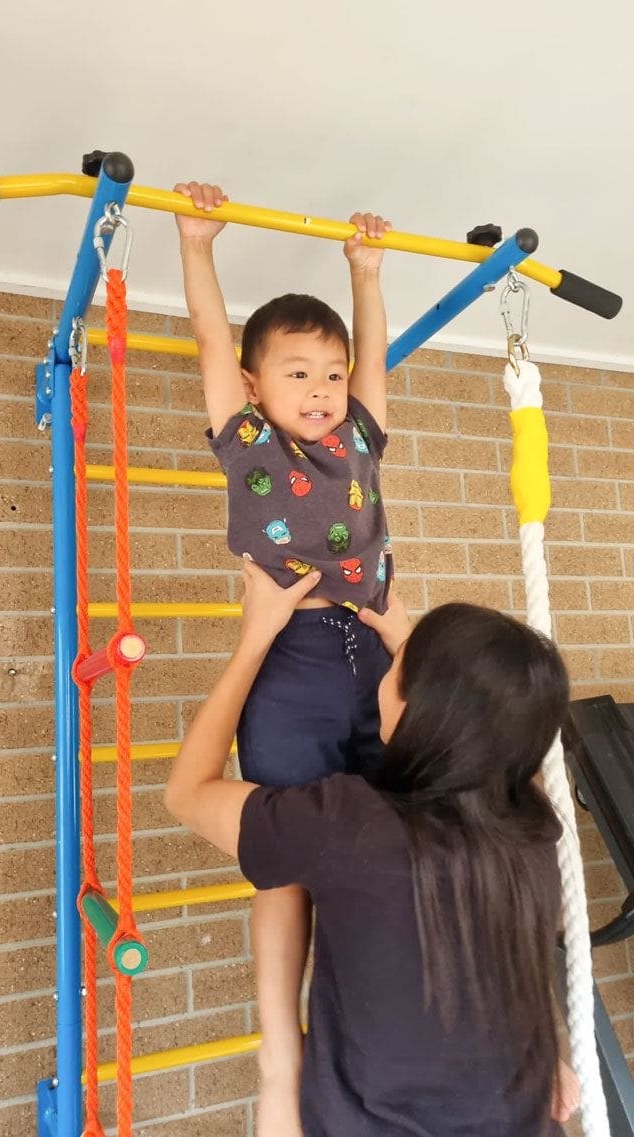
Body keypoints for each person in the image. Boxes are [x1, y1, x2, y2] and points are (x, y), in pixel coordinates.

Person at [164, 559, 580, 1136]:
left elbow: (187, 794)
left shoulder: (352, 825)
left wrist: (252, 641)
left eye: (396, 670)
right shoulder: (534, 833)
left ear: (415, 710)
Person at [174, 180, 396, 1134]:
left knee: (385, 837)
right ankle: (281, 1057)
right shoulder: (247, 440)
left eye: (331, 373)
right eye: (298, 372)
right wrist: (197, 248)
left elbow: (375, 355)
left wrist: (367, 271)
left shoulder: (361, 439)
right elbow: (213, 345)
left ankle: (363, 1024)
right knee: (285, 855)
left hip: (375, 655)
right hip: (295, 653)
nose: (322, 389)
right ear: (261, 390)